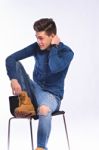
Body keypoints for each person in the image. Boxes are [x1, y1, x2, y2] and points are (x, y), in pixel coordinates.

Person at [6, 18, 74, 150]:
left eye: (41, 38)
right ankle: (26, 104)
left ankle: (41, 148)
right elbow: (10, 59)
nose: (39, 42)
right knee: (15, 64)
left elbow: (54, 67)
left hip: (51, 96)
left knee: (43, 109)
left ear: (52, 36)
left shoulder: (67, 53)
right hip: (33, 91)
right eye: (37, 38)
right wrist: (13, 79)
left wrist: (54, 47)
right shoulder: (37, 47)